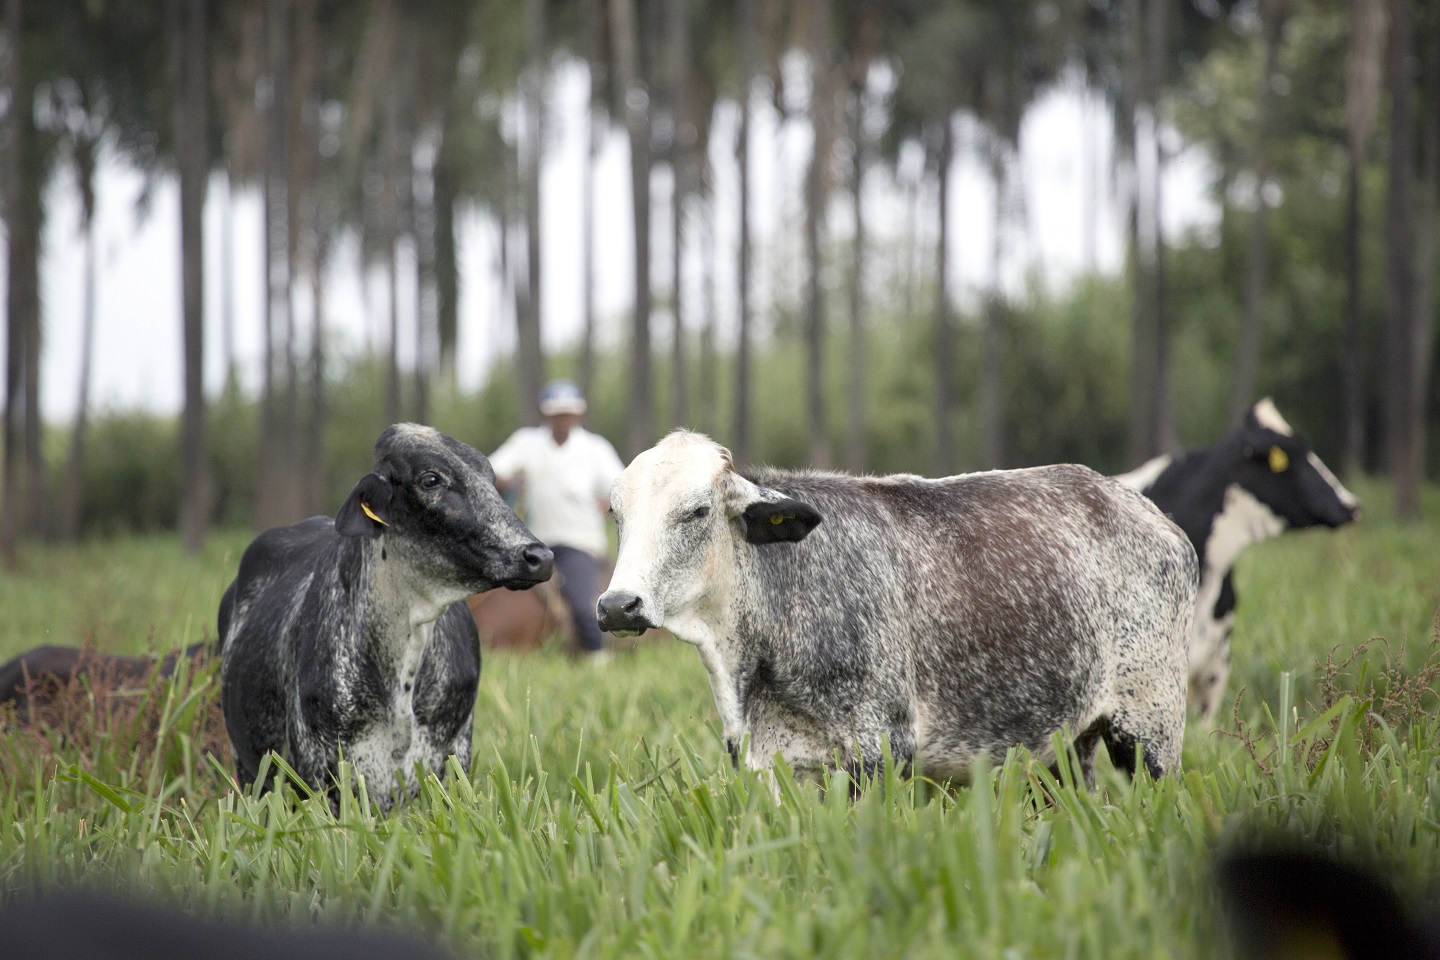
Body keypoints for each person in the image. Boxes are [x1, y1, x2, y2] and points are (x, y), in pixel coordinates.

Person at [489, 380, 626, 662]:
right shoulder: (526, 442)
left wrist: (610, 502)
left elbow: (622, 485)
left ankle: (596, 656)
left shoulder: (595, 449)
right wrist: (509, 480)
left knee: (581, 603)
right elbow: (490, 468)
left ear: (578, 415)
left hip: (578, 545)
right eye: (556, 413)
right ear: (545, 415)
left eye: (567, 413)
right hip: (534, 542)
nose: (562, 419)